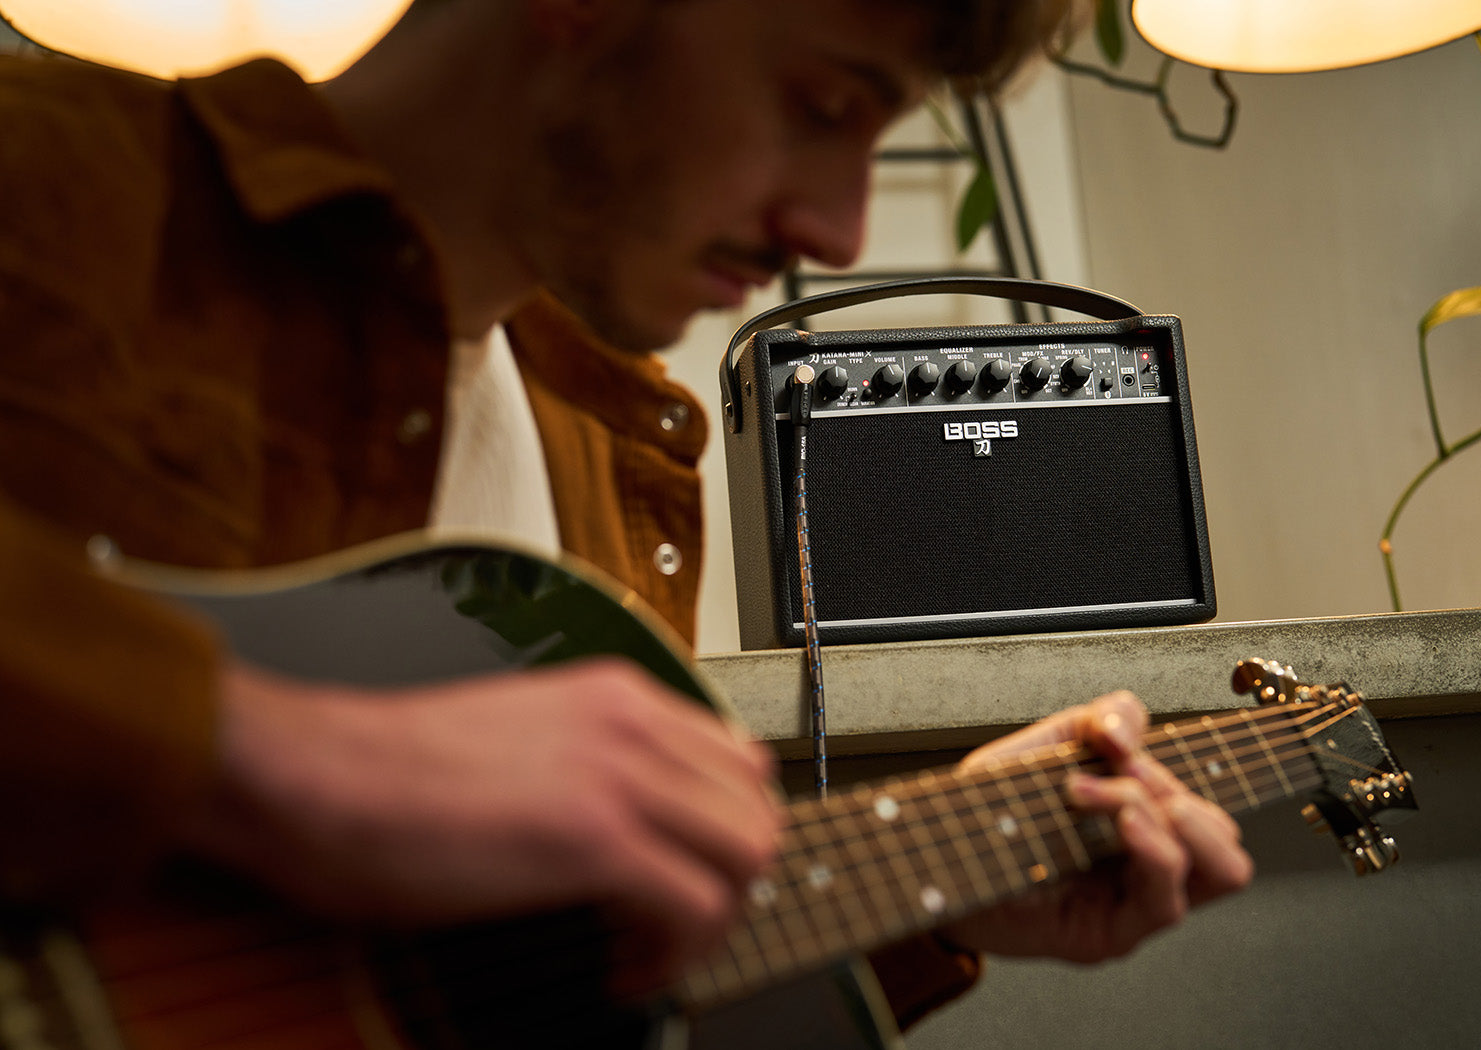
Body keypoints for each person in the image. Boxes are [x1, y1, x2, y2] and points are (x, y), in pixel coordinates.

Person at [0, 0, 1252, 1033]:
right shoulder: (46, 185)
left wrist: (921, 904)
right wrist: (266, 750)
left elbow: (513, 994)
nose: (839, 228)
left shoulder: (614, 443)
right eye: (823, 106)